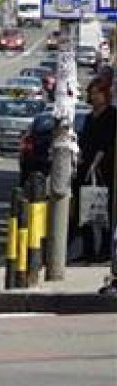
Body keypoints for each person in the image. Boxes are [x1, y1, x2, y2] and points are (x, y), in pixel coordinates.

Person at [76, 78, 116, 261]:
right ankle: (88, 250)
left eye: (97, 93)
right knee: (85, 211)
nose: (94, 97)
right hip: (86, 167)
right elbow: (85, 141)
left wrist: (95, 165)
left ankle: (105, 250)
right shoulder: (89, 117)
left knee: (104, 211)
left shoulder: (111, 115)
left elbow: (106, 143)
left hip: (105, 169)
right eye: (92, 94)